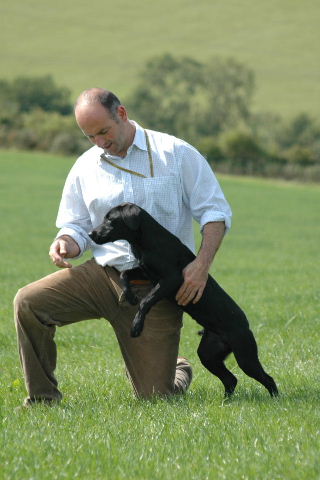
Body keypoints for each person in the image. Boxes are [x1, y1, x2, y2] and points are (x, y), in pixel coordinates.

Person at [14, 88, 232, 406]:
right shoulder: (85, 167)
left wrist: (201, 266)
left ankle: (178, 368)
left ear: (122, 114)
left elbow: (215, 214)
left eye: (104, 131)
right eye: (90, 137)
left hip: (157, 285)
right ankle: (43, 400)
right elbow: (77, 227)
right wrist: (65, 243)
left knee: (156, 399)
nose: (100, 142)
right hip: (102, 276)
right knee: (29, 303)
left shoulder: (177, 153)